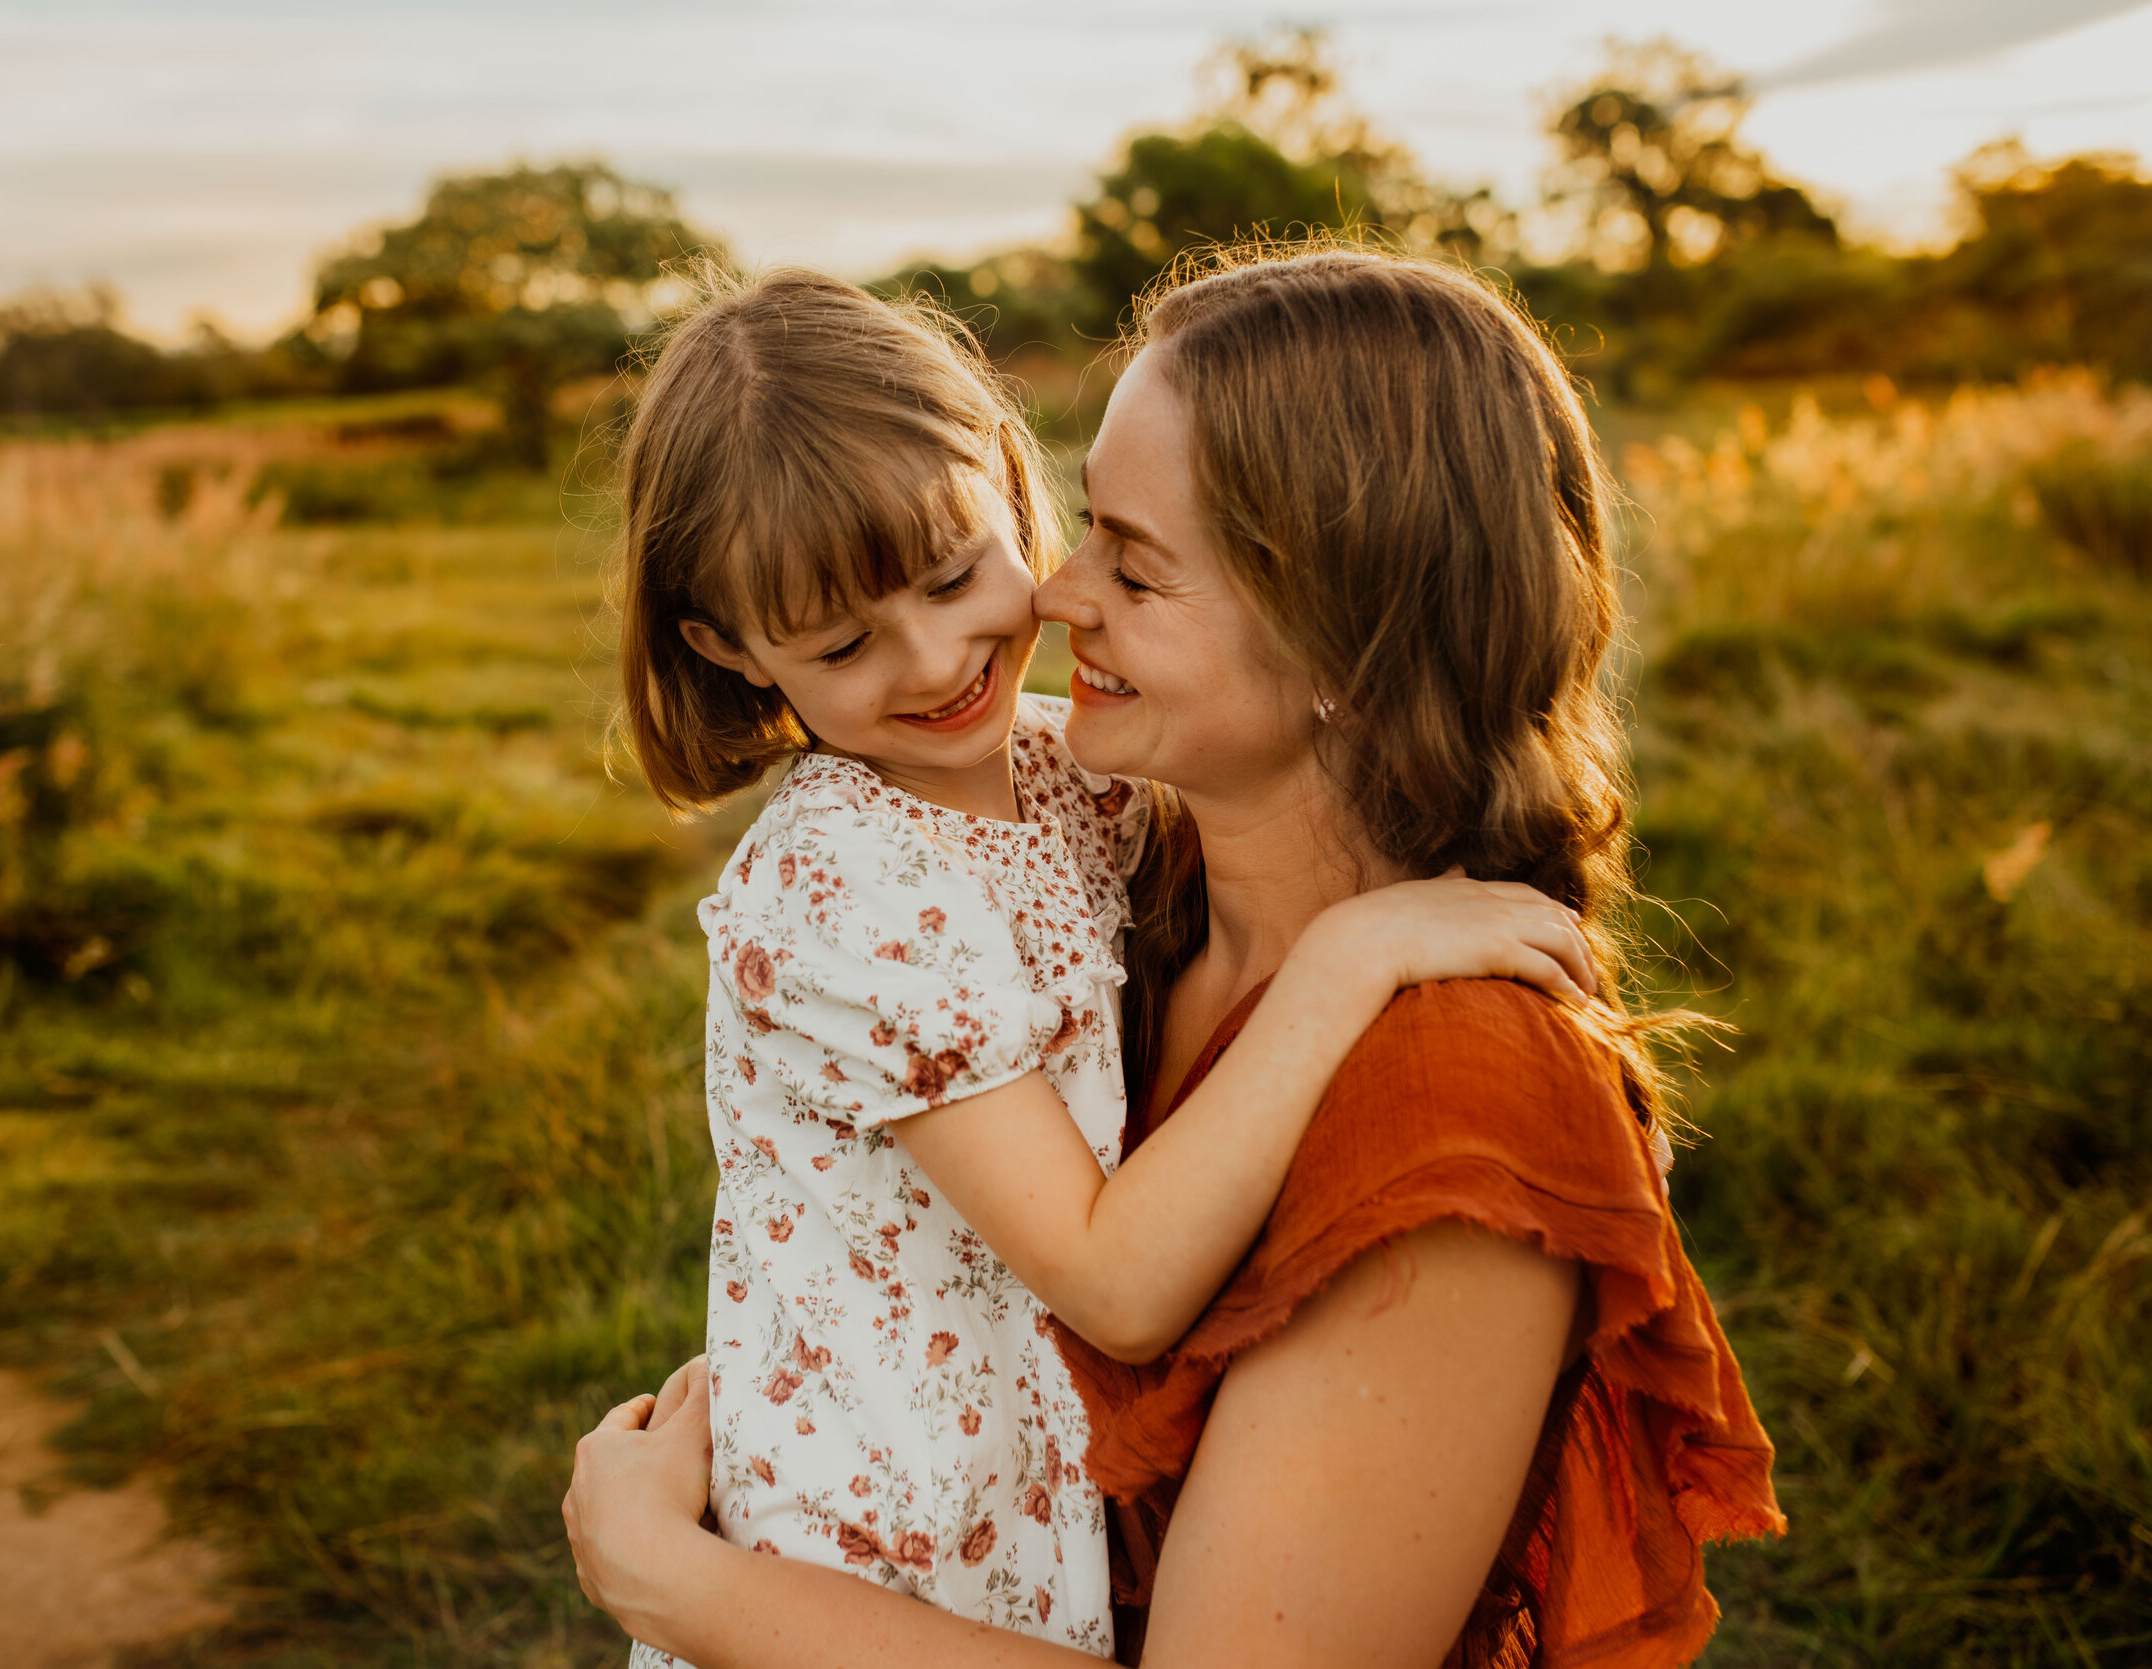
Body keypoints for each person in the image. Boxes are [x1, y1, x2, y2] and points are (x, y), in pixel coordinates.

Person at [568, 245, 1785, 1668]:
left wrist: (669, 1578)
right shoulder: (1123, 874)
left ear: (1346, 638)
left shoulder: (1439, 1083)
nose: (1060, 598)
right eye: (1087, 528)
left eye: (1131, 565)